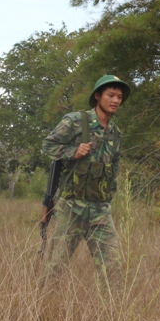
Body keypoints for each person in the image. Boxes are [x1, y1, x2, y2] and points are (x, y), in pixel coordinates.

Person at [41, 75, 129, 287]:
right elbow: (47, 146)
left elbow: (114, 168)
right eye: (110, 95)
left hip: (100, 210)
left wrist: (108, 199)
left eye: (119, 96)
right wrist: (73, 151)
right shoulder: (76, 121)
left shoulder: (115, 133)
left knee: (113, 268)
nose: (116, 100)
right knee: (56, 267)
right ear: (97, 96)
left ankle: (113, 316)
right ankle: (42, 312)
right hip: (72, 207)